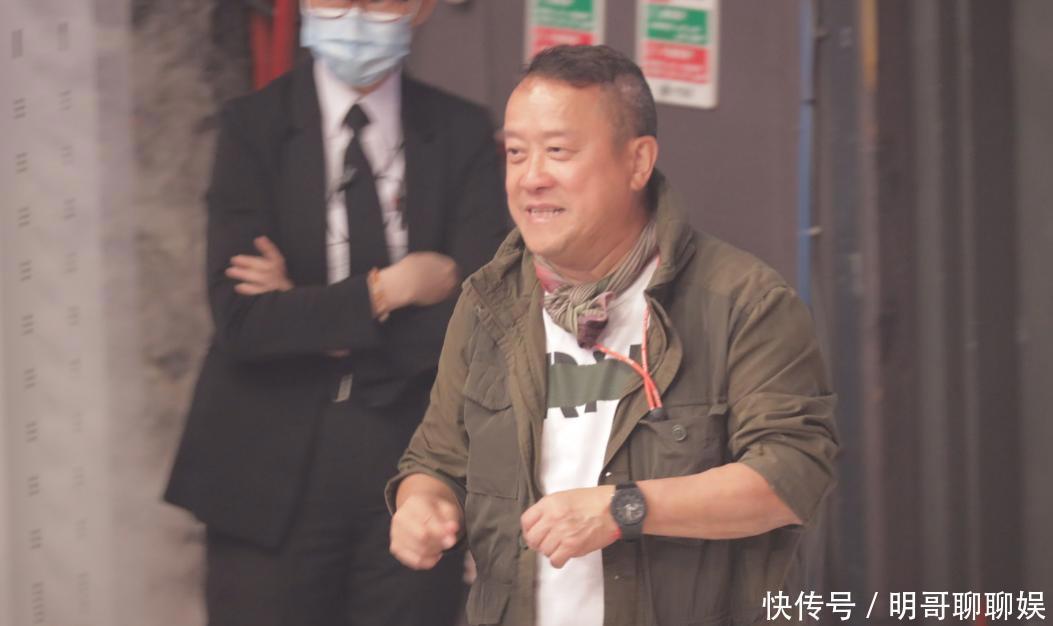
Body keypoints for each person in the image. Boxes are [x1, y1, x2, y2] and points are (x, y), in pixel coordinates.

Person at [386, 45, 839, 626]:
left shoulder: (743, 301)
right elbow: (435, 459)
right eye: (517, 153)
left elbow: (791, 474)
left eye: (558, 151)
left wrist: (625, 508)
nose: (531, 178)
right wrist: (421, 504)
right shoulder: (489, 302)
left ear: (637, 162)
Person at [163, 0, 507, 624]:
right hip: (264, 461)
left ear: (421, 8)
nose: (354, 14)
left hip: (413, 459)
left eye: (378, 0)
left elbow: (478, 319)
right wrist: (389, 290)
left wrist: (306, 312)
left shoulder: (461, 132)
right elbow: (243, 323)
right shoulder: (252, 127)